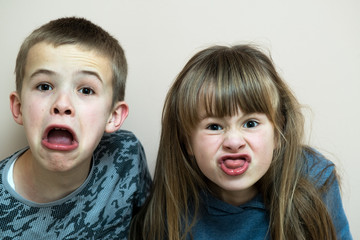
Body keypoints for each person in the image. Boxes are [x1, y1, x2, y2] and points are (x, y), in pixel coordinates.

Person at [130, 44, 352, 240]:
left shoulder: (315, 179)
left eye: (251, 123)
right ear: (187, 142)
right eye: (214, 127)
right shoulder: (173, 210)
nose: (234, 142)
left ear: (278, 133)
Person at [0, 17, 152, 239]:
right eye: (44, 86)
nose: (62, 104)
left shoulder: (126, 156)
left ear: (113, 116)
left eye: (86, 90)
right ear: (19, 107)